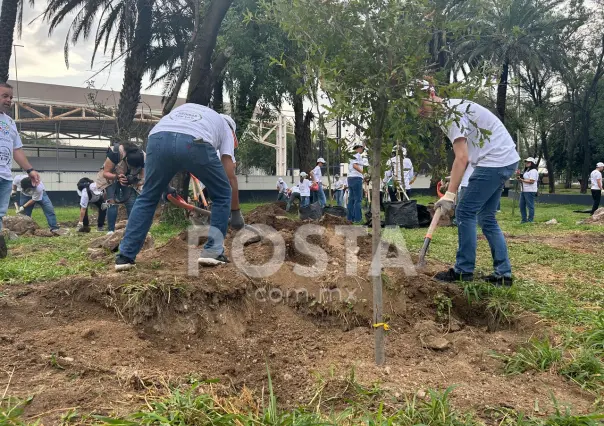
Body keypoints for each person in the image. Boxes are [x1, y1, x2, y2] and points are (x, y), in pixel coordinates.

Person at [115, 103, 242, 270]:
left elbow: (172, 141)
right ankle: (213, 251)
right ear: (232, 132)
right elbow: (230, 176)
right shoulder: (225, 127)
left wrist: (163, 185)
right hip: (195, 141)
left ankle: (125, 256)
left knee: (147, 197)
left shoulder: (193, 111)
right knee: (222, 192)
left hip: (158, 138)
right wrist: (236, 213)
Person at [421, 80, 520, 286]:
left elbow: (461, 157)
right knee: (486, 217)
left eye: (419, 105)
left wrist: (449, 194)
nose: (418, 112)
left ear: (430, 95)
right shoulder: (452, 108)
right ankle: (503, 274)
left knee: (465, 212)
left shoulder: (450, 114)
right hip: (503, 159)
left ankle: (463, 270)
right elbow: (467, 156)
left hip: (494, 161)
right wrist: (454, 181)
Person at [0, 83, 41, 258]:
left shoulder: (9, 122)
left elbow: (17, 150)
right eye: (4, 96)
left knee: (0, 213)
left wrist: (30, 169)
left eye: (10, 97)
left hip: (5, 176)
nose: (9, 100)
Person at [97, 142, 145, 235]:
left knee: (131, 201)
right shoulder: (115, 153)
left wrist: (136, 181)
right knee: (112, 201)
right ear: (126, 159)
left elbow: (143, 178)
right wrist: (117, 177)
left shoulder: (143, 157)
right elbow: (105, 173)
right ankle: (111, 230)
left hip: (128, 178)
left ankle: (132, 229)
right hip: (111, 175)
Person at [347, 144, 365, 223]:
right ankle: (358, 219)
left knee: (351, 199)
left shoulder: (351, 155)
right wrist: (364, 173)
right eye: (362, 148)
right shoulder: (357, 155)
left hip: (350, 178)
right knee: (358, 199)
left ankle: (350, 218)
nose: (363, 150)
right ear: (359, 148)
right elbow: (355, 165)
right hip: (356, 178)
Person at [518, 157, 539, 223]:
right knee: (521, 205)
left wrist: (522, 180)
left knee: (530, 205)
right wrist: (519, 177)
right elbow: (525, 179)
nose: (526, 163)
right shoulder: (527, 170)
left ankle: (530, 220)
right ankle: (524, 220)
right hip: (524, 190)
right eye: (526, 162)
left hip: (530, 190)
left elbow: (532, 181)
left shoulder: (534, 171)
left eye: (528, 162)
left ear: (532, 163)